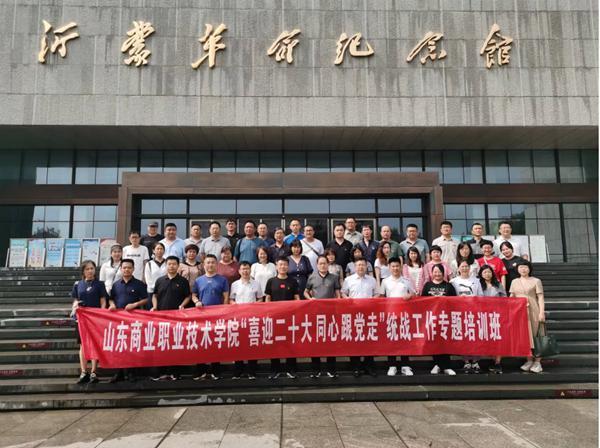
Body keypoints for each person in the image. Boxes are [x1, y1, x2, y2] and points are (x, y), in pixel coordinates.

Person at [150, 256, 191, 381]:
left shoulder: (183, 281)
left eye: (174, 264)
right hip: (161, 318)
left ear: (178, 266)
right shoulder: (160, 280)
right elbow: (154, 295)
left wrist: (182, 305)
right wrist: (155, 307)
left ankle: (175, 372)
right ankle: (161, 372)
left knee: (175, 344)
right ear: (166, 265)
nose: (171, 266)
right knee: (162, 344)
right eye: (169, 264)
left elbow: (188, 296)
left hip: (177, 319)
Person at [108, 259, 148, 383]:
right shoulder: (116, 284)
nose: (126, 270)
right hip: (119, 320)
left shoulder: (139, 284)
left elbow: (146, 299)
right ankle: (119, 372)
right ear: (121, 269)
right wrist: (112, 304)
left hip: (134, 320)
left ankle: (131, 373)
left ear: (133, 269)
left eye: (129, 267)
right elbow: (111, 298)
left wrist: (135, 304)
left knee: (132, 345)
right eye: (124, 267)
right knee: (119, 345)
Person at [192, 254, 230, 380]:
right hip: (202, 317)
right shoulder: (199, 280)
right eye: (208, 262)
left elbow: (226, 297)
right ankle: (201, 370)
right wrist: (197, 301)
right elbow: (193, 295)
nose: (210, 265)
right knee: (201, 342)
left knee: (215, 342)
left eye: (213, 262)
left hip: (217, 316)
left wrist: (224, 312)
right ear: (204, 265)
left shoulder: (222, 280)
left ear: (216, 264)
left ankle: (215, 370)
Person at [304, 255, 341, 378]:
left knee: (330, 341)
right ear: (317, 265)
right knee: (315, 341)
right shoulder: (312, 277)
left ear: (328, 264)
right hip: (315, 314)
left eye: (325, 263)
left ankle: (331, 369)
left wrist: (338, 301)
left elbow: (337, 293)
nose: (323, 265)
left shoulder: (334, 277)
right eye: (320, 263)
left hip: (330, 314)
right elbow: (305, 292)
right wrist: (310, 299)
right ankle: (316, 370)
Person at [71, 260, 107, 384]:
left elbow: (103, 301)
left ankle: (93, 371)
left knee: (95, 344)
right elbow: (75, 300)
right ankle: (83, 371)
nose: (90, 271)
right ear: (83, 271)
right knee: (82, 344)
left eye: (92, 268)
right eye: (87, 269)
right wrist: (75, 308)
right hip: (81, 319)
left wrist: (101, 314)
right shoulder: (78, 284)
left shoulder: (100, 284)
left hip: (95, 319)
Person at [341, 258, 379, 377]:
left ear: (366, 267)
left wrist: (372, 300)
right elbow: (343, 293)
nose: (361, 267)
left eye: (363, 265)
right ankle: (355, 367)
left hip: (369, 315)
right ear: (355, 267)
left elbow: (377, 294)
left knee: (369, 340)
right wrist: (348, 299)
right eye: (358, 265)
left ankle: (369, 366)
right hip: (353, 314)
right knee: (354, 341)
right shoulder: (348, 280)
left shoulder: (372, 280)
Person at [265, 257, 300, 379]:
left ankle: (291, 369)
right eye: (280, 265)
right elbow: (268, 298)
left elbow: (297, 298)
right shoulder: (271, 281)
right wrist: (268, 313)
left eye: (285, 265)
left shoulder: (293, 281)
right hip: (275, 318)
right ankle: (275, 369)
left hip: (290, 318)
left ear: (288, 266)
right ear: (276, 266)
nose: (283, 267)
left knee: (290, 343)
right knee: (274, 344)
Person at [381, 257, 415, 376]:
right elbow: (381, 297)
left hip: (404, 315)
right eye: (393, 266)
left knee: (404, 339)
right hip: (390, 315)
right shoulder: (385, 281)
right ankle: (392, 365)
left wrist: (410, 296)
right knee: (391, 340)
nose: (395, 268)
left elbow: (414, 293)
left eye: (397, 266)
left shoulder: (406, 280)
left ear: (400, 267)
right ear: (389, 268)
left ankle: (405, 365)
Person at [510, 260, 545, 374]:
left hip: (533, 309)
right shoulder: (514, 281)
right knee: (524, 335)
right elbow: (511, 296)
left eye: (525, 267)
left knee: (537, 334)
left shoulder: (536, 281)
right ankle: (529, 360)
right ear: (517, 269)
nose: (523, 269)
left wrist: (541, 312)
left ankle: (538, 362)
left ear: (529, 269)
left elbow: (540, 297)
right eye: (521, 267)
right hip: (519, 311)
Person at [421, 264, 457, 376]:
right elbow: (422, 301)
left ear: (443, 273)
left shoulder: (448, 286)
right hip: (432, 318)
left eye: (439, 272)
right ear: (432, 273)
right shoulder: (427, 285)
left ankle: (446, 366)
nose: (437, 274)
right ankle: (437, 364)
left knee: (445, 342)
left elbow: (455, 302)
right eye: (435, 272)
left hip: (445, 318)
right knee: (434, 342)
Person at [230, 261, 264, 380]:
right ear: (239, 271)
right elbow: (231, 299)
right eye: (243, 269)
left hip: (252, 318)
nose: (245, 271)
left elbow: (260, 299)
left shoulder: (256, 284)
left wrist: (254, 305)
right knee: (238, 344)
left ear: (250, 270)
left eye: (247, 269)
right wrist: (236, 305)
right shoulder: (234, 284)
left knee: (252, 344)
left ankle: (252, 371)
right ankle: (238, 370)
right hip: (238, 319)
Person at [451, 259, 484, 374]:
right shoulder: (453, 281)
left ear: (470, 268)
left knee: (475, 336)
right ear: (458, 268)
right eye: (462, 266)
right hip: (460, 313)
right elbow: (451, 297)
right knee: (463, 337)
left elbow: (481, 295)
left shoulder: (476, 281)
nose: (464, 268)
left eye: (466, 266)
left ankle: (475, 361)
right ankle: (466, 361)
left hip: (474, 312)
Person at [478, 264, 507, 374]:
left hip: (497, 314)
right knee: (487, 337)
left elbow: (504, 298)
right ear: (481, 274)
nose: (487, 274)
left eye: (489, 272)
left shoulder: (498, 284)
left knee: (498, 338)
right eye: (484, 272)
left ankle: (498, 362)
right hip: (483, 315)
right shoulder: (478, 285)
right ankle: (489, 360)